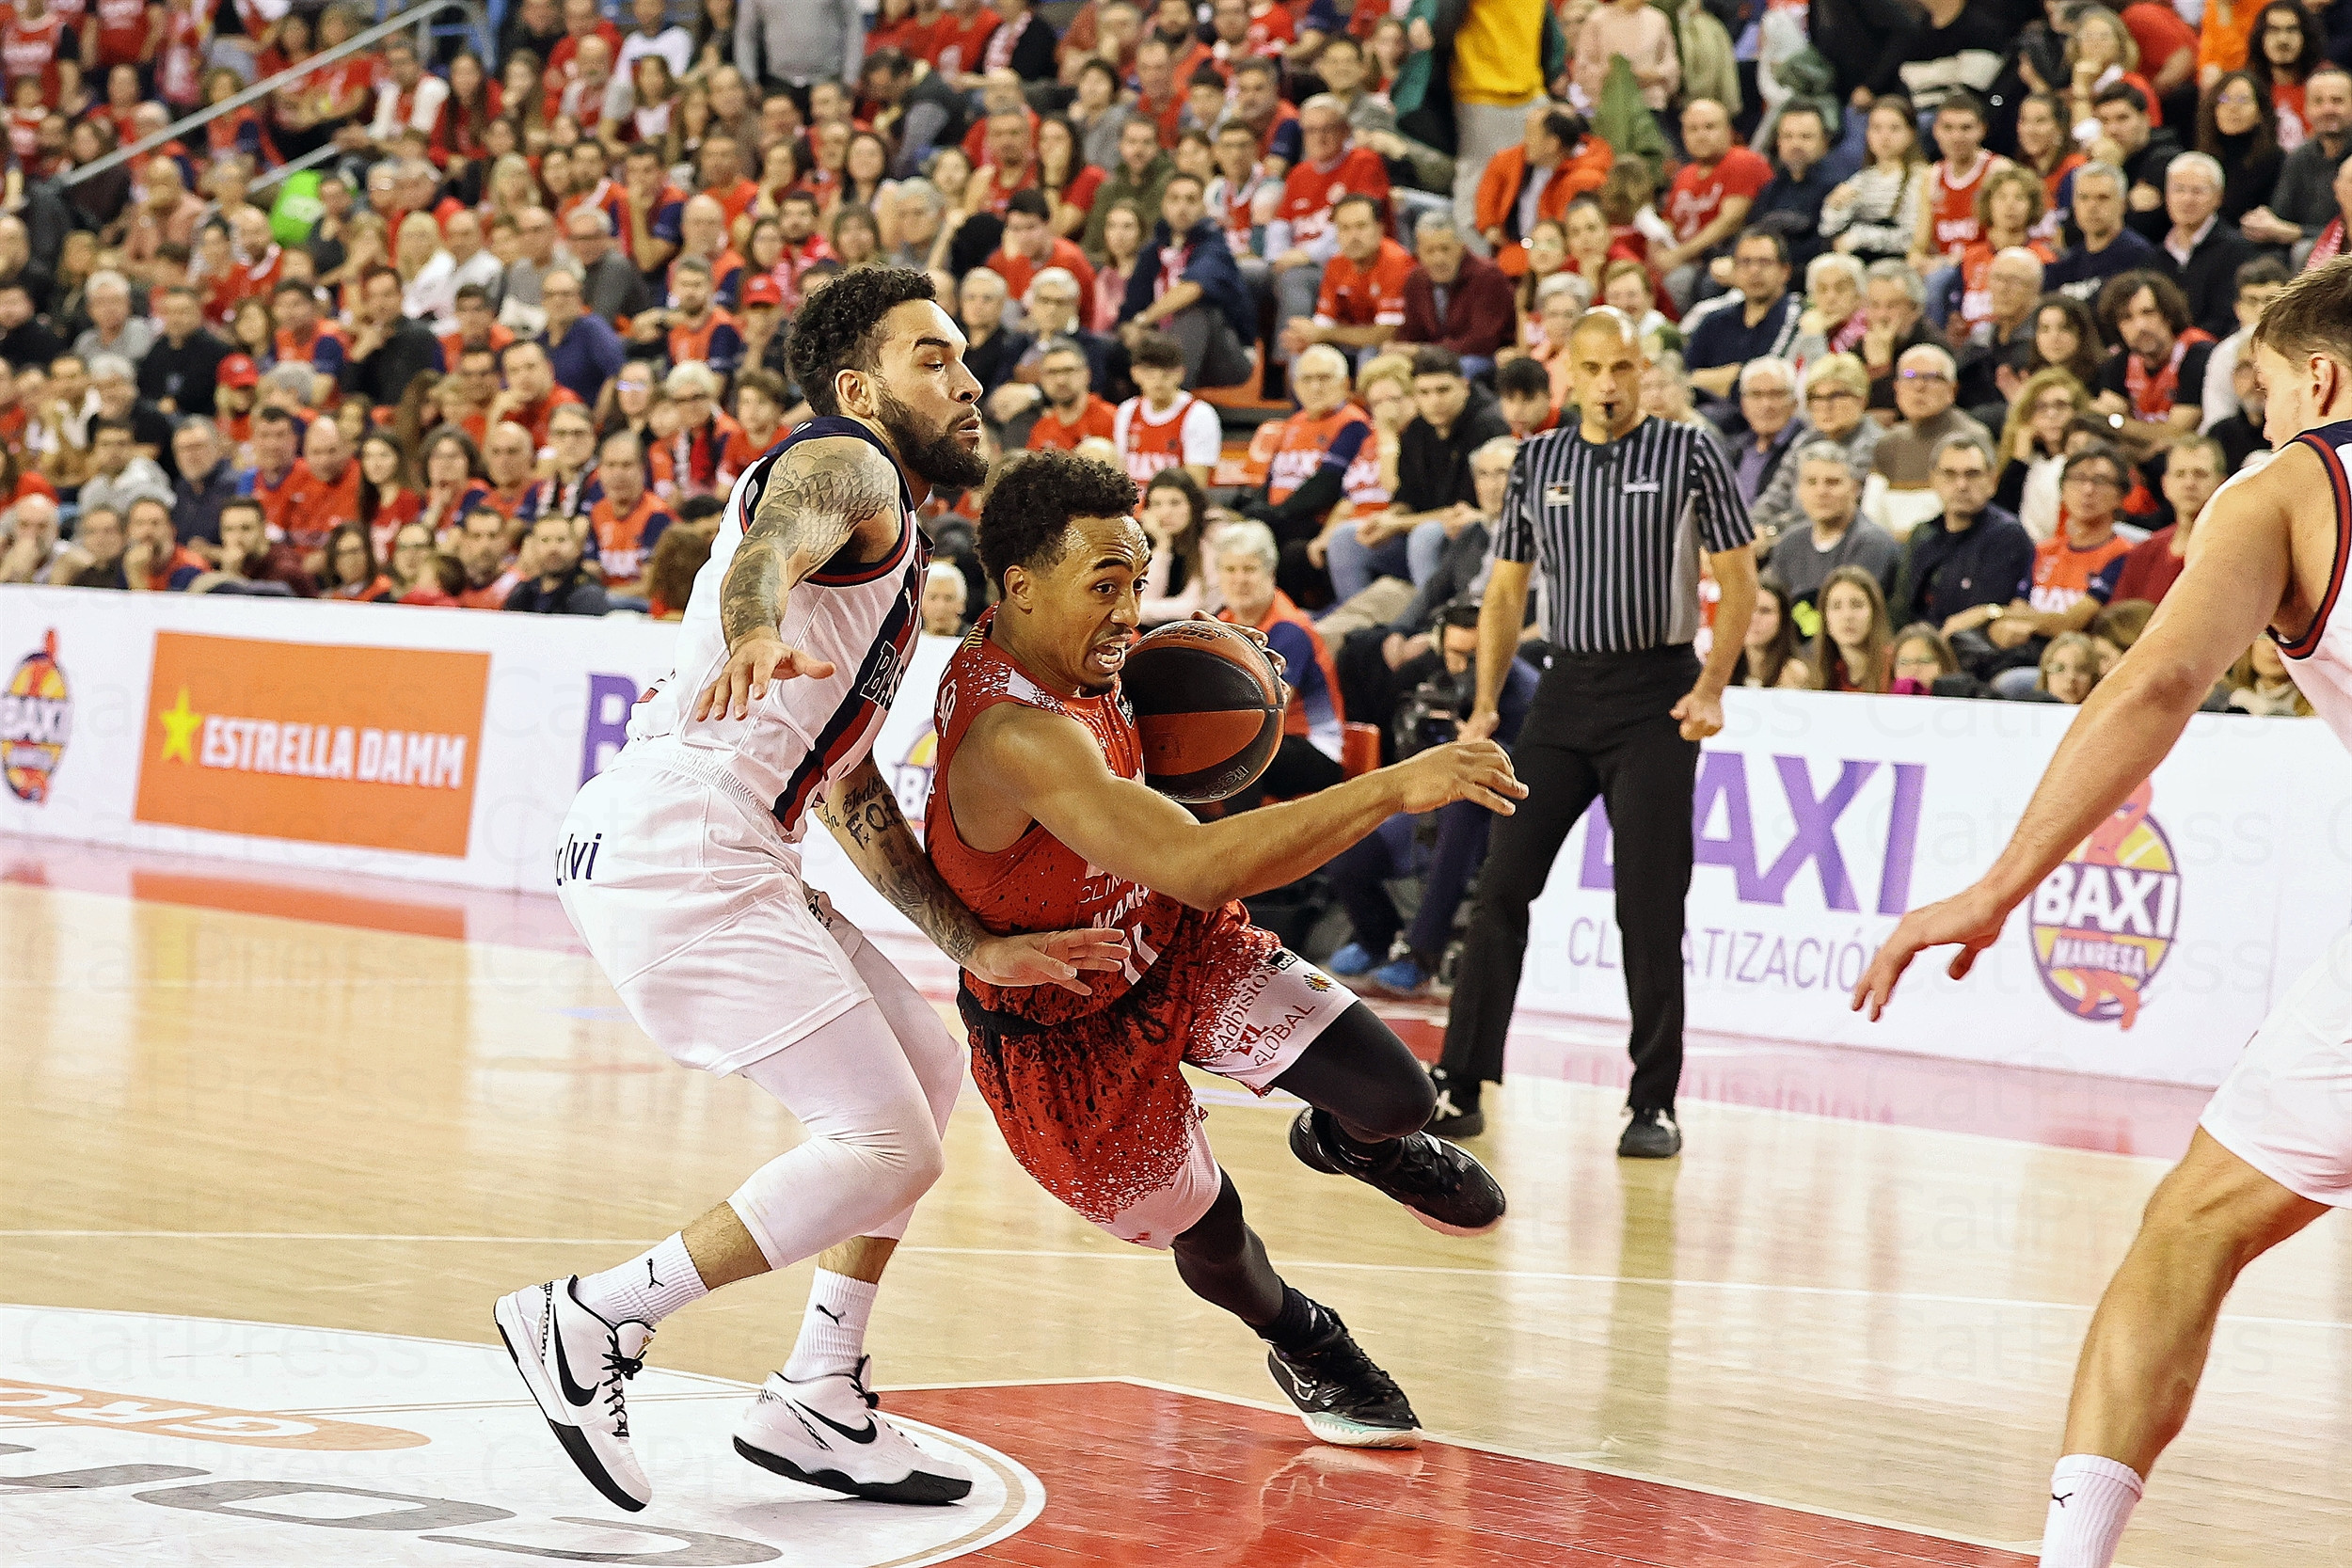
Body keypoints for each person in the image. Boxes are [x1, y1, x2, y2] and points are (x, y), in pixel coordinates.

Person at [496, 268, 1127, 1515]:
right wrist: (751, 622)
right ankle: (596, 1315)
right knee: (884, 1141)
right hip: (686, 839)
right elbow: (773, 544)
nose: (967, 380)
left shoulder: (889, 548)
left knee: (927, 1074)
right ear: (860, 387)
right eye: (932, 358)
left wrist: (971, 941)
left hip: (733, 836)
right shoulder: (850, 463)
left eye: (965, 356)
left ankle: (817, 1391)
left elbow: (847, 789)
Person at [1855, 265, 2352, 1568]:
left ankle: (2072, 1560)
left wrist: (1995, 886)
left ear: (2320, 377)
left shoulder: (2289, 486)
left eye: (2263, 388)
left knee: (2191, 1227)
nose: (2259, 417)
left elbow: (2156, 684)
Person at [928, 447, 1517, 1447]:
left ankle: (1347, 1142)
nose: (1130, 613)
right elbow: (1200, 864)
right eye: (1105, 587)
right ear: (1020, 587)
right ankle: (1303, 1336)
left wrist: (1227, 682)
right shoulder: (1015, 733)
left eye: (1138, 583)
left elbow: (1181, 852)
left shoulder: (1076, 652)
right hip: (1058, 1034)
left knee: (1398, 1097)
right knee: (1211, 1230)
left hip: (1167, 939)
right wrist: (1392, 786)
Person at [1428, 307, 1758, 1152]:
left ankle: (1653, 1102)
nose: (1608, 385)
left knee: (1649, 904)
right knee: (1501, 885)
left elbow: (1739, 578)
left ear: (1644, 370)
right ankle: (1460, 1081)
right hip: (1565, 691)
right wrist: (1484, 703)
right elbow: (1506, 590)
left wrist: (1712, 686)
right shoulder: (1538, 459)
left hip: (1658, 694)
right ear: (1568, 373)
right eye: (1593, 368)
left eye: (1622, 368)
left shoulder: (1690, 451)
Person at [1327, 600, 1542, 997]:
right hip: (1433, 807)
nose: (1461, 665)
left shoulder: (1527, 691)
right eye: (1453, 653)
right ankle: (1375, 939)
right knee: (1348, 852)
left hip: (1498, 815)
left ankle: (1422, 952)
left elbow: (1536, 773)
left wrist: (1481, 747)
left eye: (1473, 656)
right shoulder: (1429, 676)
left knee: (1463, 807)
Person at [1896, 433, 2038, 633]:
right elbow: (1900, 612)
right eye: (1949, 474)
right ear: (1933, 480)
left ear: (1993, 480)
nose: (1961, 485)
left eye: (1972, 474)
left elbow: (1976, 627)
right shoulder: (1923, 535)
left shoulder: (2008, 537)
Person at [1770, 441, 1901, 610]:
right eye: (1811, 482)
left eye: (1832, 482)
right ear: (1799, 490)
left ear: (1855, 489)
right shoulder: (1789, 544)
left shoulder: (1874, 544)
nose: (1821, 492)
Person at [1681, 229, 1802, 405]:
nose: (1754, 270)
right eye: (1745, 262)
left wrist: (1718, 379)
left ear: (1785, 271)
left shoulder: (1797, 317)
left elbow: (1767, 380)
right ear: (1735, 270)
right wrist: (1728, 377)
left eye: (1764, 262)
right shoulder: (1713, 321)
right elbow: (1683, 379)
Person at [2112, 433, 2225, 602]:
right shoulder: (2144, 553)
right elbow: (2120, 616)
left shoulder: (2235, 553)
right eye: (2180, 474)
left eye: (2200, 474)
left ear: (2222, 483)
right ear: (2165, 484)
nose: (2189, 484)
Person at [1399, 212, 1515, 374]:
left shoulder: (1488, 276)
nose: (1438, 259)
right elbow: (1410, 333)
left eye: (1445, 249)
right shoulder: (1416, 279)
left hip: (1483, 358)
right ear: (1418, 252)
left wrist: (1423, 352)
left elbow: (1482, 341)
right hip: (1431, 358)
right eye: (1430, 251)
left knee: (1463, 367)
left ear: (1461, 247)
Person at [1113, 329, 1220, 486]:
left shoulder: (1199, 414)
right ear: (1135, 373)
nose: (1158, 379)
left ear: (1181, 373)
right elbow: (1119, 473)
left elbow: (1196, 487)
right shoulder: (1127, 410)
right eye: (1150, 371)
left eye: (1167, 372)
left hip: (1176, 501)